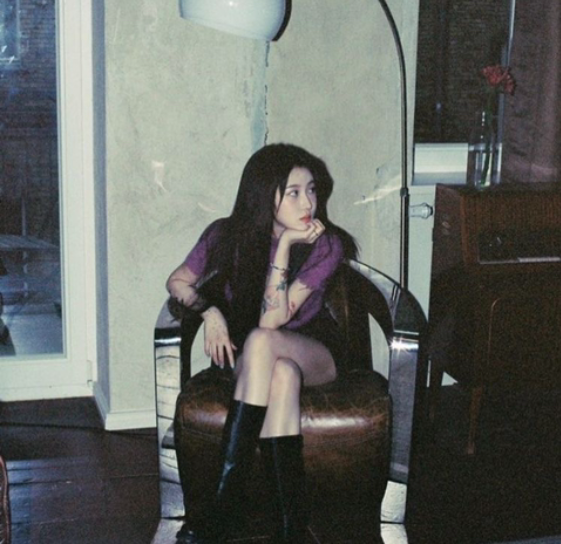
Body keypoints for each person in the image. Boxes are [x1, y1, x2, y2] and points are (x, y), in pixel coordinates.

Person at [167, 143, 358, 544]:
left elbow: (273, 321)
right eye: (294, 192)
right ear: (263, 194)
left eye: (311, 190)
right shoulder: (224, 235)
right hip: (254, 359)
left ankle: (222, 509)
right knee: (280, 374)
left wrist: (286, 245)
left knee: (263, 340)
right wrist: (209, 311)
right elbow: (177, 281)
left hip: (314, 353)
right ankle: (290, 526)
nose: (308, 202)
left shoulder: (325, 244)